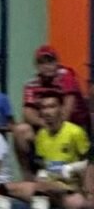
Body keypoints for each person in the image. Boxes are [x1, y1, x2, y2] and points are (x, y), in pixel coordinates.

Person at [14, 45, 89, 177]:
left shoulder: (65, 75)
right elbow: (27, 112)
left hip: (73, 125)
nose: (47, 66)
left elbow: (68, 106)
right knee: (20, 130)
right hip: (48, 126)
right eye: (42, 63)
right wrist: (44, 124)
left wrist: (57, 125)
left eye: (50, 61)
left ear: (57, 63)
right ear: (37, 66)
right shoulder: (31, 84)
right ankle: (28, 177)